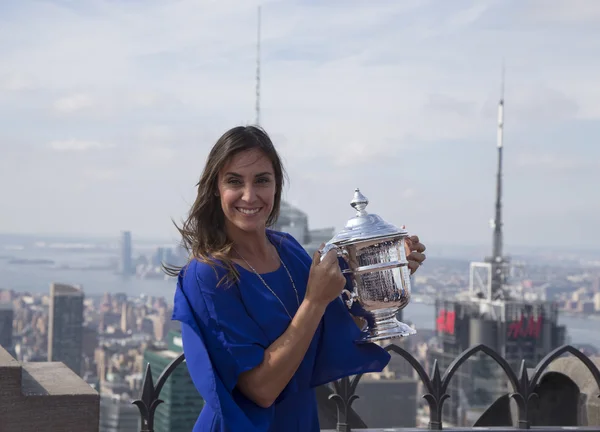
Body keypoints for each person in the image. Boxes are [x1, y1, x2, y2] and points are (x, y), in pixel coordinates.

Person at [169, 125, 427, 432]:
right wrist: (314, 300)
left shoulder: (288, 250)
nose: (249, 195)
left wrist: (386, 272)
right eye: (234, 181)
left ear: (276, 186)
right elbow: (261, 391)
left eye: (262, 180)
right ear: (216, 188)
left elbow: (337, 334)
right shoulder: (208, 274)